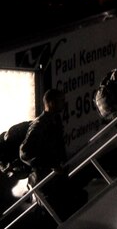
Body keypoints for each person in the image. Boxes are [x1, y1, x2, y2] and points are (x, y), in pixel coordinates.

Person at [19, 89, 86, 222]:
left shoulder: (55, 121)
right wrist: (50, 165)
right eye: (61, 101)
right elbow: (25, 153)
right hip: (45, 181)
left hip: (55, 179)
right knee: (52, 216)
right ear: (51, 102)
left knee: (77, 200)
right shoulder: (39, 125)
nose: (64, 103)